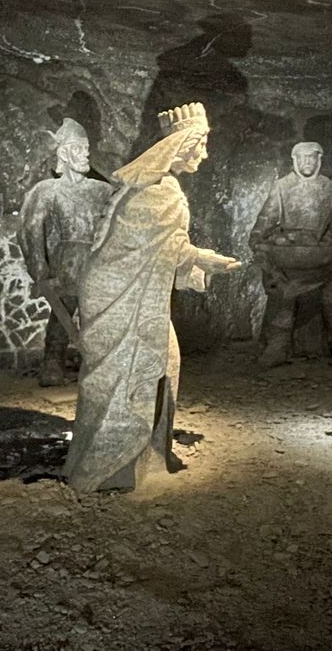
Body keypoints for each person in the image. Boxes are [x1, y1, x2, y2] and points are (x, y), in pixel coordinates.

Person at [63, 102, 241, 492]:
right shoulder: (157, 191)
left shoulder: (159, 186)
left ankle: (148, 457)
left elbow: (160, 245)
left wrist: (197, 258)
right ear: (183, 144)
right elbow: (142, 249)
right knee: (123, 378)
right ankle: (109, 468)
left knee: (164, 363)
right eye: (202, 144)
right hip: (119, 298)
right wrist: (200, 258)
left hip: (129, 292)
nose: (205, 154)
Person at [18, 118, 114, 386]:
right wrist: (39, 268)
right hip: (67, 264)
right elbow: (31, 228)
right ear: (63, 154)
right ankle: (53, 362)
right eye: (78, 148)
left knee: (97, 315)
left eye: (86, 148)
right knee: (61, 316)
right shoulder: (48, 191)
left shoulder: (102, 190)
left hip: (97, 262)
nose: (85, 154)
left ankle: (98, 364)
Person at [250, 142, 332, 367]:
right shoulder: (281, 187)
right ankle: (277, 346)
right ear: (294, 160)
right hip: (288, 264)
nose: (306, 161)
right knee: (282, 296)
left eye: (311, 157)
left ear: (319, 160)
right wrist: (261, 245)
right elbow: (262, 226)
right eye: (301, 157)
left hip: (324, 263)